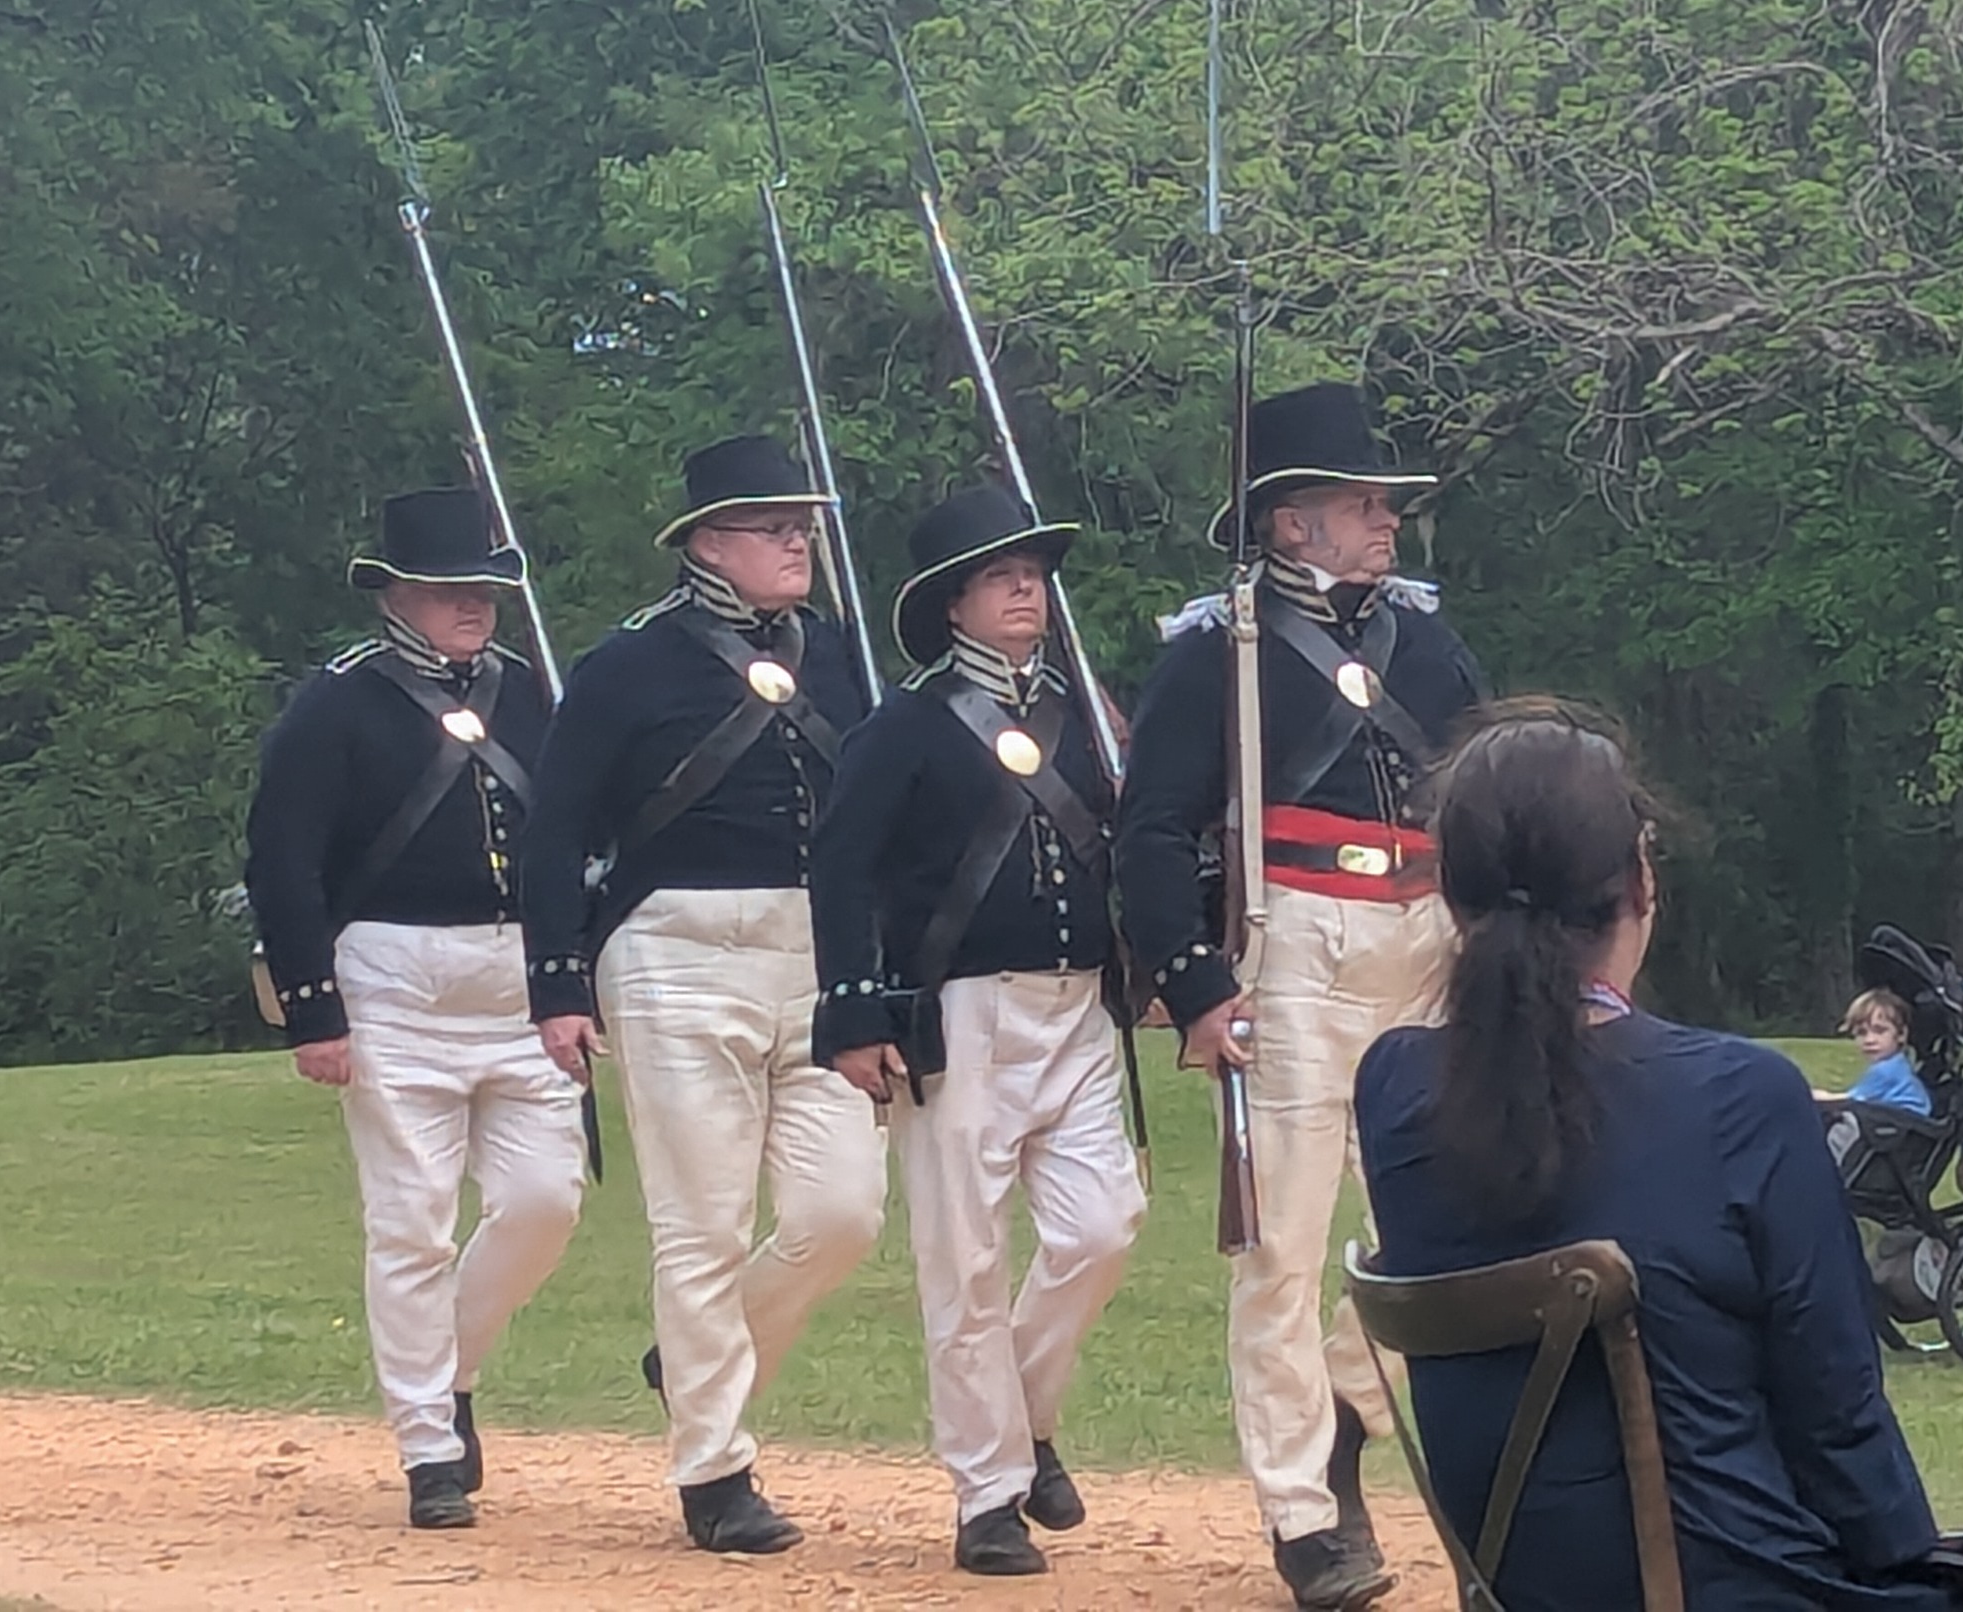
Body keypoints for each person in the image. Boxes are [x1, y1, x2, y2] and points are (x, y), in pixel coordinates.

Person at [1362, 702, 1963, 1611]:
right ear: (1641, 882)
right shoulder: (1738, 1098)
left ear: (1448, 893)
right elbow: (1838, 1417)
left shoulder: (1393, 1090)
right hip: (1741, 1584)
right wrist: (1922, 1563)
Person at [1108, 379, 1491, 1611]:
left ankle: (1342, 1412)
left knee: (1443, 1230)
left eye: (1384, 503)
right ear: (1289, 523)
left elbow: (1483, 790)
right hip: (1293, 950)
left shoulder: (1427, 644)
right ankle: (1302, 1512)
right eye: (1361, 503)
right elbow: (1153, 831)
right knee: (1281, 1247)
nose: (1386, 521)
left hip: (1424, 942)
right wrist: (1195, 983)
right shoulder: (1215, 651)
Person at [807, 486, 1177, 1577]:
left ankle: (1023, 1416)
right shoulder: (906, 725)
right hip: (961, 1014)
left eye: (1032, 574)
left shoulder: (1085, 718)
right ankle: (987, 1495)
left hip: (1078, 1009)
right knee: (964, 1261)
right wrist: (854, 1010)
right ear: (953, 604)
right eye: (1000, 576)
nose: (1026, 589)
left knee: (1103, 1228)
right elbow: (842, 867)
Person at [526, 435, 882, 1556]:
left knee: (842, 1213)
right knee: (703, 1223)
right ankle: (715, 1469)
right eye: (773, 527)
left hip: (817, 953)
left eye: (803, 526)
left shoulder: (841, 656)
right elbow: (555, 827)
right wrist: (556, 980)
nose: (798, 543)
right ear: (709, 544)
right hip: (674, 951)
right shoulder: (626, 665)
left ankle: (687, 1367)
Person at [243, 485, 588, 1531]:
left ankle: (451, 1369)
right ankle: (429, 1447)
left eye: (482, 588)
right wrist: (314, 1008)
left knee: (545, 1203)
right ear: (395, 595)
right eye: (447, 590)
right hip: (393, 981)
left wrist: (569, 976)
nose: (471, 606)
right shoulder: (338, 702)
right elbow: (283, 859)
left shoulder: (529, 692)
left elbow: (567, 840)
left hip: (518, 981)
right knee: (411, 1224)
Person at [1832, 987, 1933, 1115]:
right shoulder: (1899, 1065)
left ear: (1901, 1034)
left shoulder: (1886, 1071)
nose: (1869, 1040)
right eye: (1861, 1033)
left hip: (1906, 1125)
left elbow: (1846, 1101)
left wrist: (1813, 1096)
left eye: (1879, 1031)